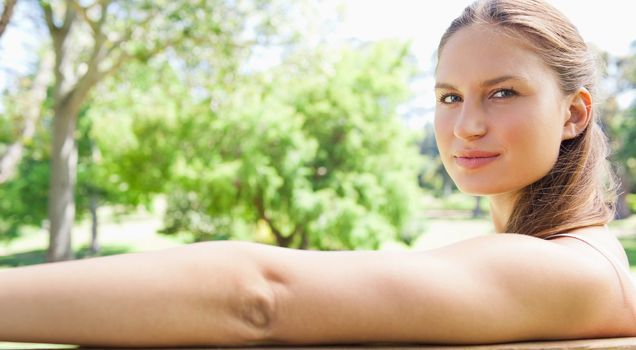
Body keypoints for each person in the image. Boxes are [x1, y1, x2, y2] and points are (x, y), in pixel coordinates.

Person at [1, 0, 635, 347]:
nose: (466, 125)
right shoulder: (552, 254)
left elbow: (259, 298)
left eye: (502, 93)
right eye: (449, 97)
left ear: (574, 114)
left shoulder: (568, 266)